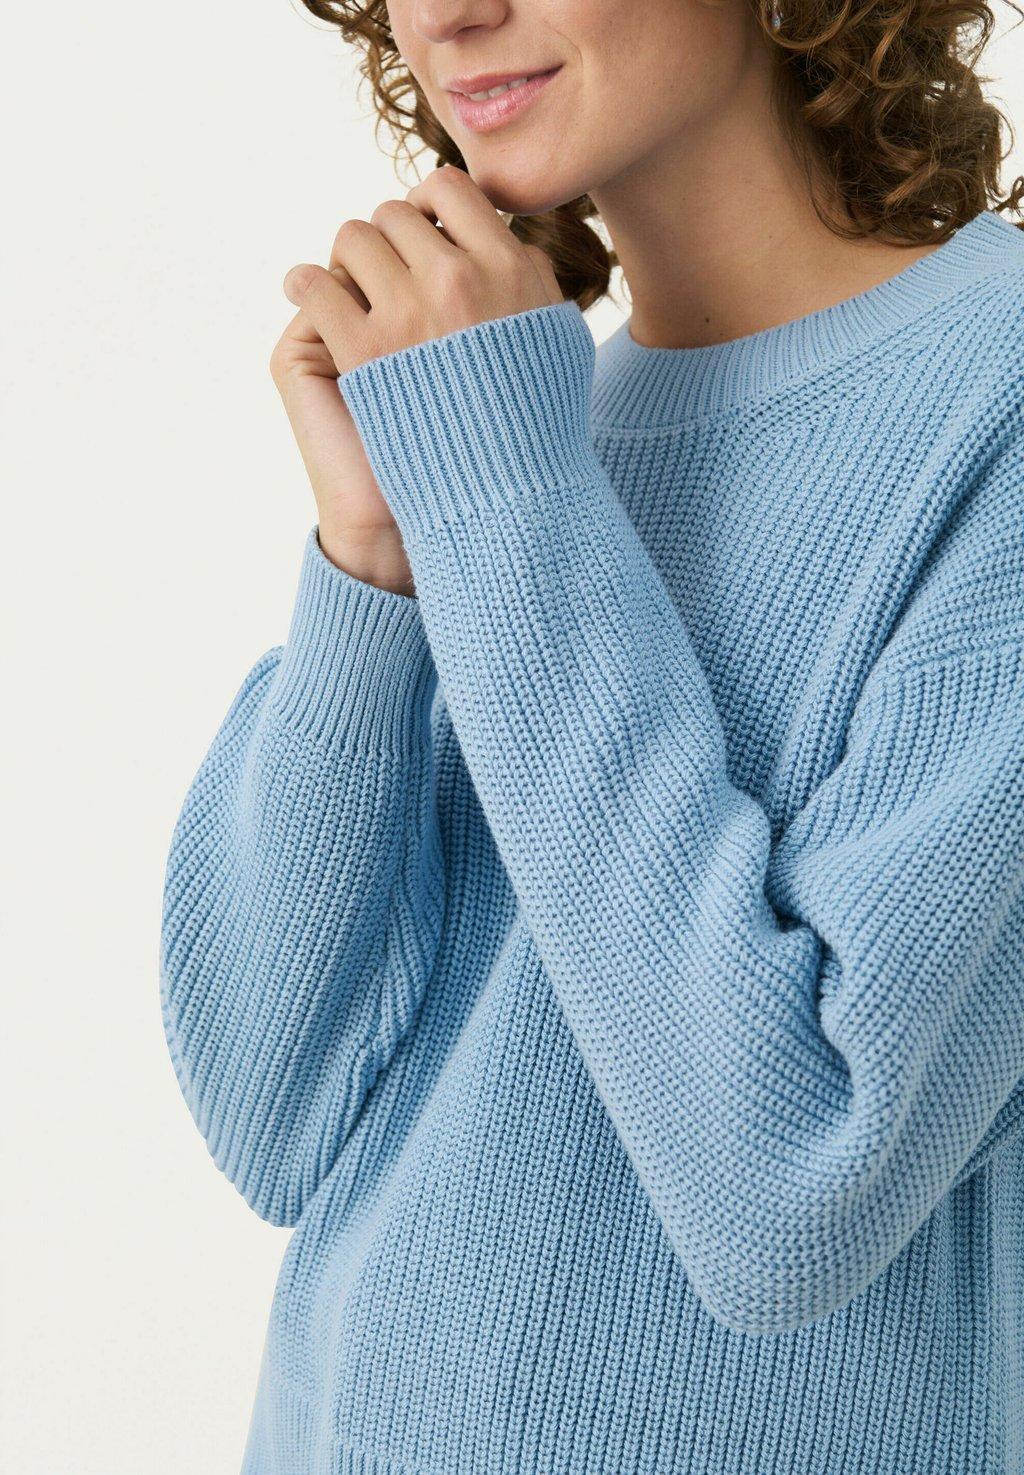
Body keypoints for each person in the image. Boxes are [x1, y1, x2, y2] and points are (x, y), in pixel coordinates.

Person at [158, 0, 1024, 1468]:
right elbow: (275, 1115)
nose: (450, 12)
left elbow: (788, 1192)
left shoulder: (989, 407)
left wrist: (501, 489)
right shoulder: (515, 421)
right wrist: (373, 566)